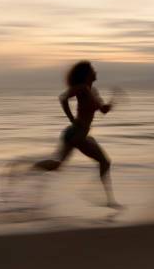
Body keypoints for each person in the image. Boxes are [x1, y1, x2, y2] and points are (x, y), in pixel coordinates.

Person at [30, 61, 122, 209]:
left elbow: (103, 110)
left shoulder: (93, 92)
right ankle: (30, 167)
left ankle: (109, 200)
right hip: (75, 134)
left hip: (80, 135)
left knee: (59, 165)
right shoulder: (82, 88)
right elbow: (63, 98)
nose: (95, 72)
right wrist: (72, 119)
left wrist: (115, 99)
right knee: (101, 162)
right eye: (92, 70)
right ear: (86, 74)